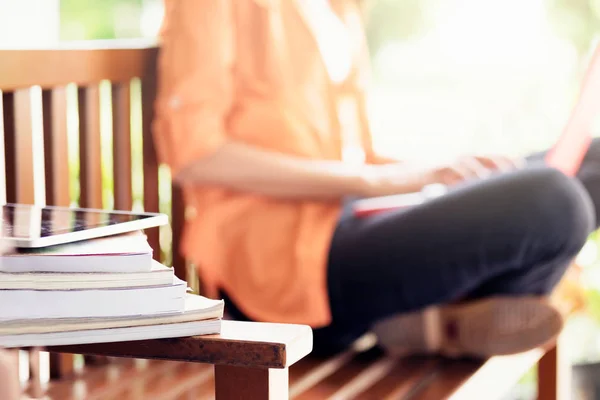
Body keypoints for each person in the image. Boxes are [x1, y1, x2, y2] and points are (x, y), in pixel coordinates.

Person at [154, 0, 599, 358]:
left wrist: (440, 176)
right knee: (555, 200)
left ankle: (434, 317)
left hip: (352, 220)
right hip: (286, 263)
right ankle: (442, 314)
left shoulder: (339, 8)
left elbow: (356, 154)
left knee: (590, 167)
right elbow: (197, 155)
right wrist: (378, 181)